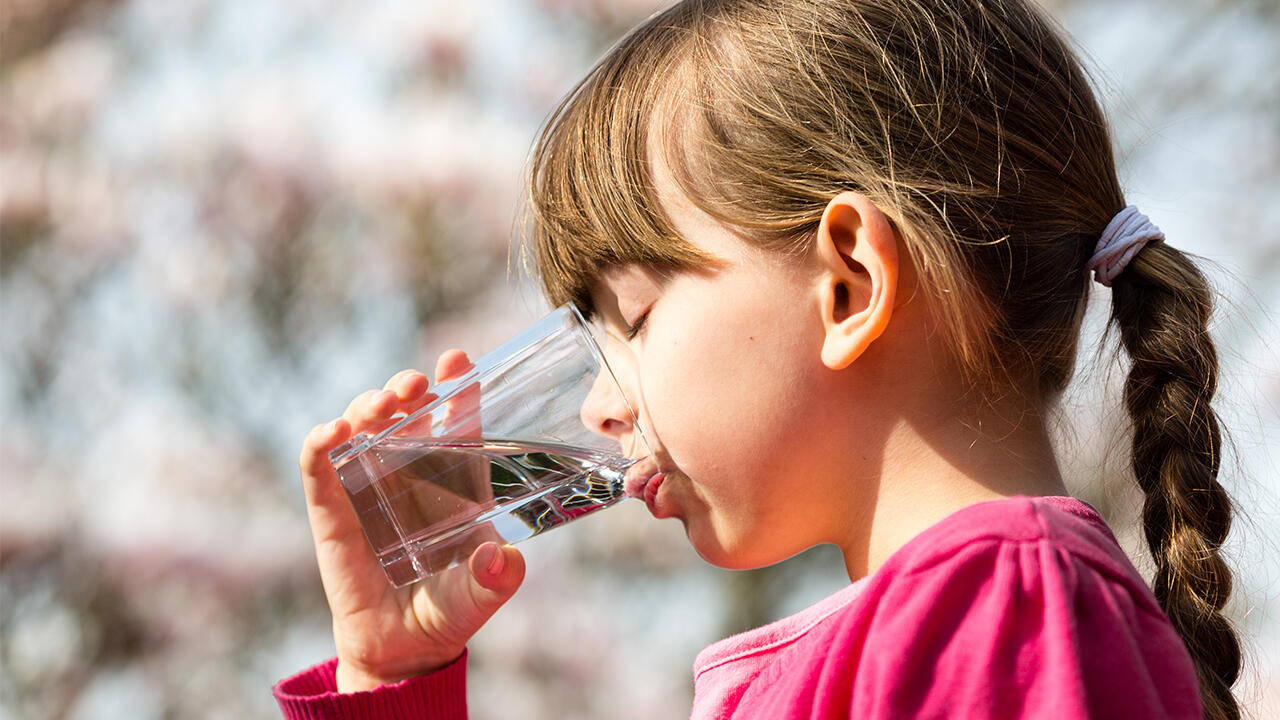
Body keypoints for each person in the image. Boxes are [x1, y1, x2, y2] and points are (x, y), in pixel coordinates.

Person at [273, 0, 1243, 718]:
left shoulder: (995, 614)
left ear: (847, 286)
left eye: (632, 316)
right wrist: (393, 680)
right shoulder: (966, 616)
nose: (599, 409)